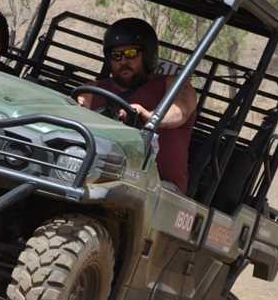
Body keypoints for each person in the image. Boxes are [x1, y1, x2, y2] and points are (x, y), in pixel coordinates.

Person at [78, 17, 197, 192]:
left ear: (147, 55)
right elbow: (77, 107)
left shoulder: (172, 85)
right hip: (96, 175)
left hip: (159, 189)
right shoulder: (93, 89)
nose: (123, 61)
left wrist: (150, 117)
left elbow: (181, 111)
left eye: (131, 54)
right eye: (116, 56)